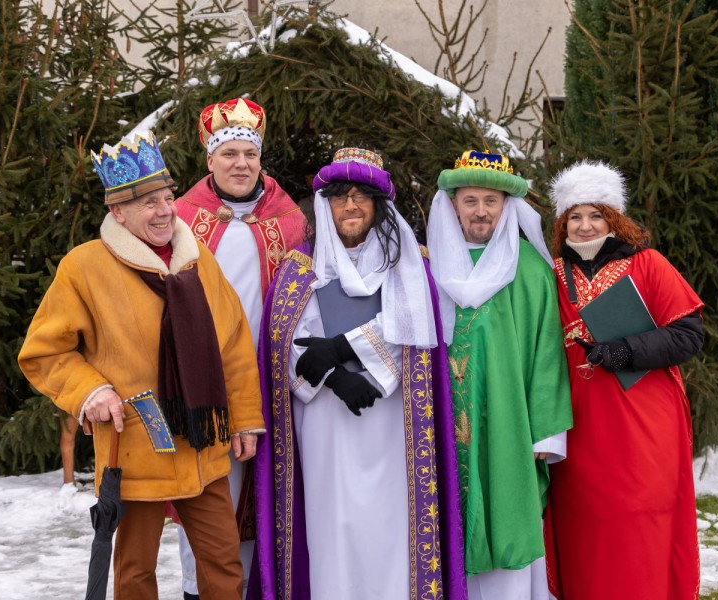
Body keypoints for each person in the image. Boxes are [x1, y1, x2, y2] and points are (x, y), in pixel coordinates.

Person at [18, 132, 264, 600]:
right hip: (134, 442)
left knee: (223, 564)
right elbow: (45, 351)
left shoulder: (197, 261)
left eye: (168, 198)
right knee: (134, 574)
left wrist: (245, 417)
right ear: (117, 211)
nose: (165, 211)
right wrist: (91, 391)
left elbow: (233, 343)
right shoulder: (84, 268)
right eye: (149, 202)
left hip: (202, 440)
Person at [248, 148, 467, 600]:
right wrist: (334, 377)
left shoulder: (409, 261)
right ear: (325, 205)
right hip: (323, 421)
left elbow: (415, 325)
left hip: (391, 417)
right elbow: (284, 338)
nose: (350, 205)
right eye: (339, 197)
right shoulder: (299, 266)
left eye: (361, 196)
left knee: (392, 523)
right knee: (331, 523)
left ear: (377, 204)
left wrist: (348, 355)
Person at [542, 160, 704, 599]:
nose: (585, 225)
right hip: (578, 431)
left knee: (641, 525)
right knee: (583, 529)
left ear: (614, 218)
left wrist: (626, 350)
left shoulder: (647, 265)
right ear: (562, 224)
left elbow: (688, 335)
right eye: (575, 216)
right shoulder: (548, 275)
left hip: (643, 427)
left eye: (596, 215)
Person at [173, 97, 307, 599]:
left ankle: (256, 588)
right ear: (210, 159)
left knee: (266, 493)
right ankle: (198, 589)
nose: (241, 164)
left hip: (272, 382)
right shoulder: (181, 219)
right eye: (229, 154)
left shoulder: (290, 220)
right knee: (207, 494)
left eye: (250, 154)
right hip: (203, 381)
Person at [426, 150, 573, 600]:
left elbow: (547, 352)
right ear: (453, 205)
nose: (481, 211)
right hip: (440, 424)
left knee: (507, 510)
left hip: (509, 426)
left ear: (507, 207)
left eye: (491, 201)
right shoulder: (429, 269)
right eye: (470, 200)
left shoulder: (529, 270)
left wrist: (546, 433)